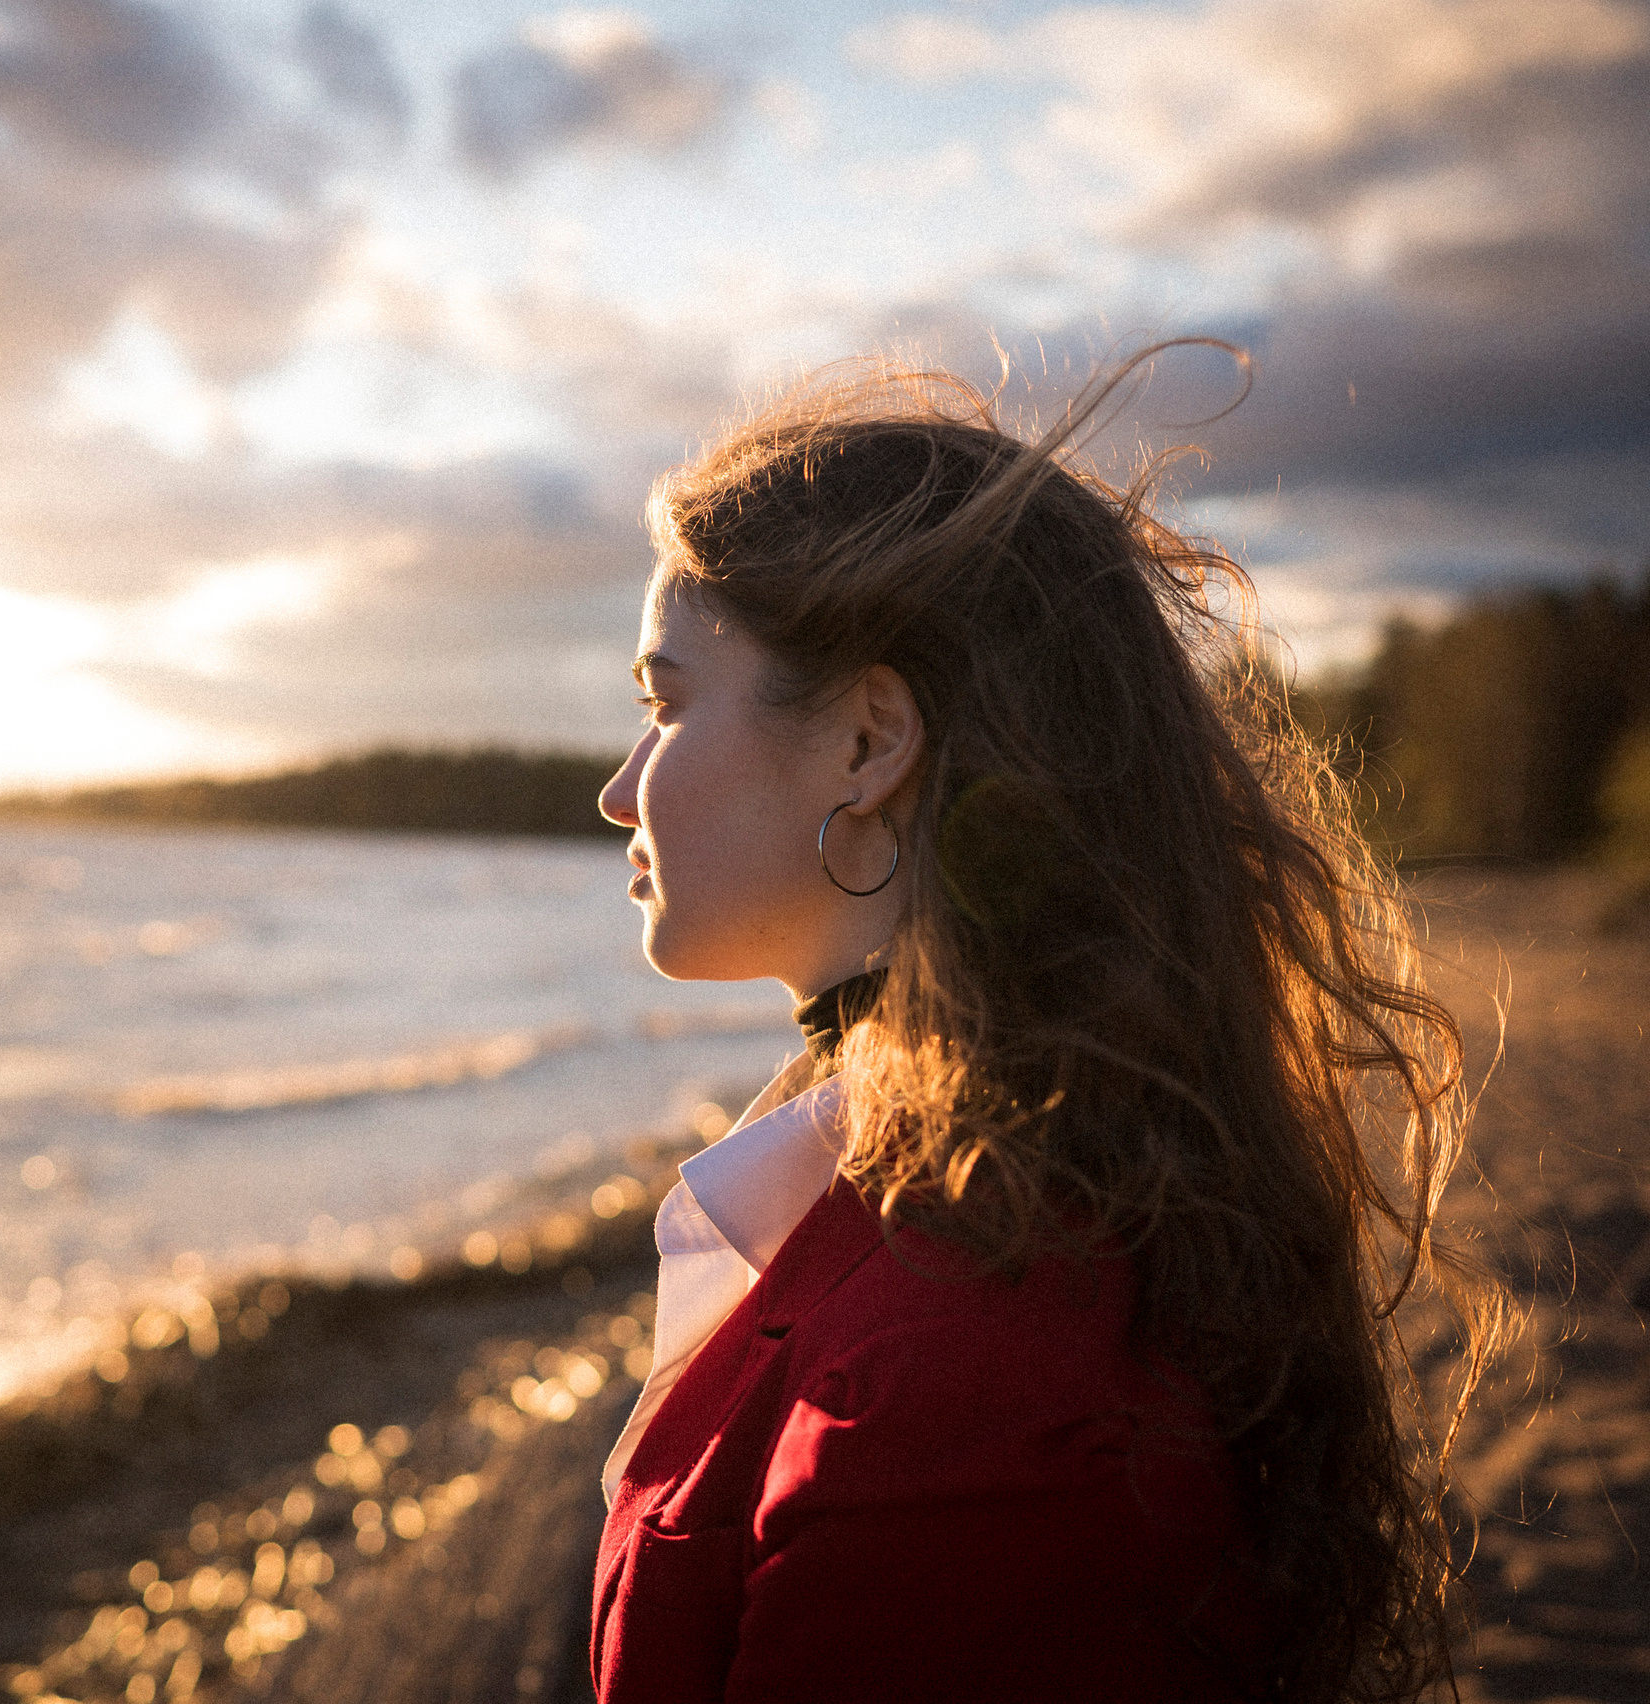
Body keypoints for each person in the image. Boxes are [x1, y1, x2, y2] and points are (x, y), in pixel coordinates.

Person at [587, 348, 1497, 1703]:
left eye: (664, 705)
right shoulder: (953, 1205)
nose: (619, 790)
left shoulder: (957, 1396)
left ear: (867, 744)